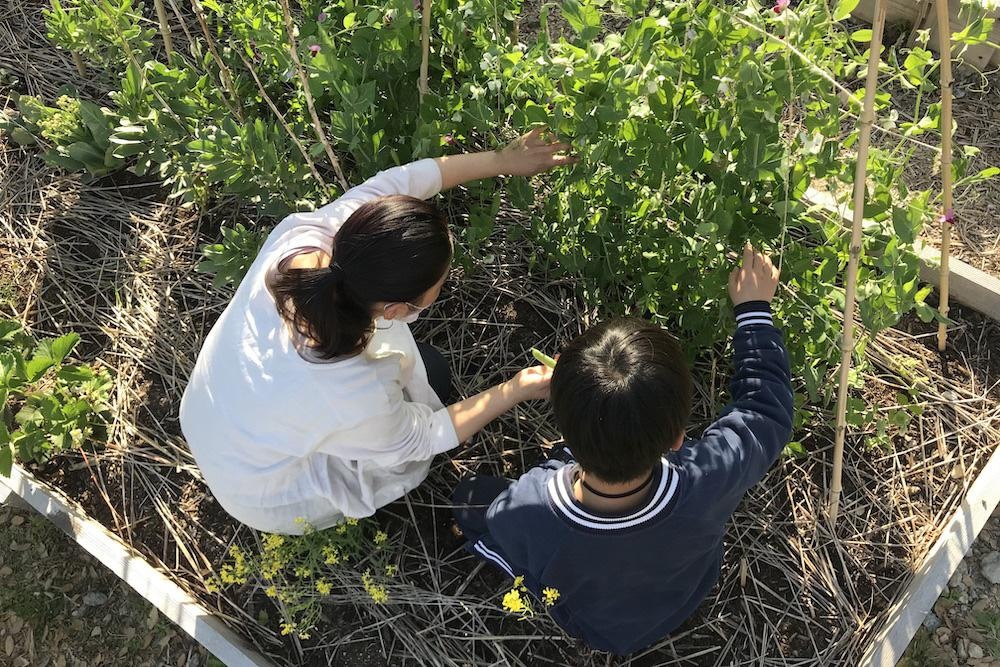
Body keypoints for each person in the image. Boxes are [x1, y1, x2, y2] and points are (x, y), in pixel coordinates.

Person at [180, 129, 574, 535]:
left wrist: (502, 161)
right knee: (431, 381)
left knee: (419, 371)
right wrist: (518, 386)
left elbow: (400, 182)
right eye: (440, 284)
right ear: (397, 309)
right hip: (261, 489)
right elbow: (422, 438)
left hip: (210, 413)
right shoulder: (353, 390)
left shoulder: (306, 242)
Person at [451, 245, 794, 655]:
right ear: (676, 438)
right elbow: (764, 413)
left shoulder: (530, 506)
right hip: (686, 595)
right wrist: (754, 311)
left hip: (598, 629)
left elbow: (506, 520)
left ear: (563, 431)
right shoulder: (709, 478)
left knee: (468, 500)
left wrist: (558, 458)